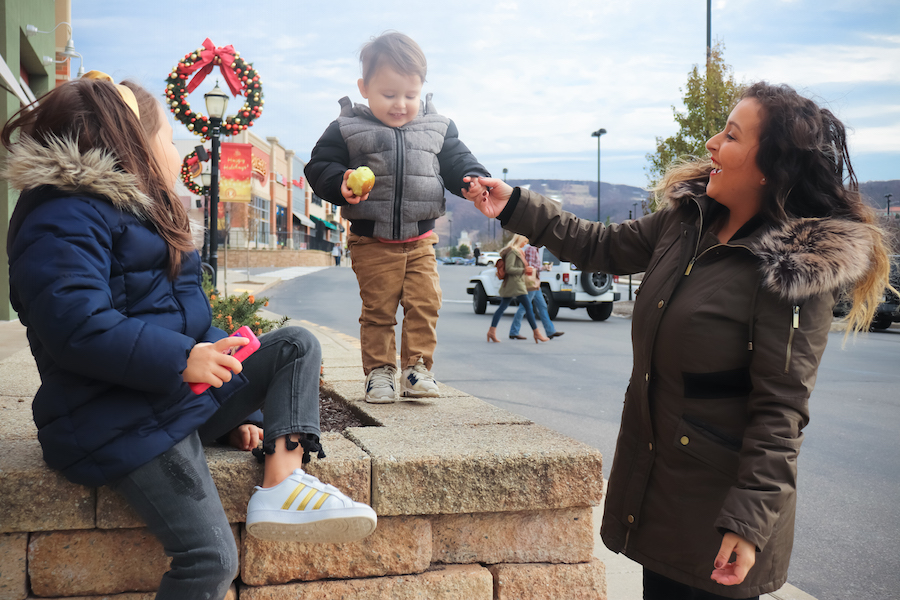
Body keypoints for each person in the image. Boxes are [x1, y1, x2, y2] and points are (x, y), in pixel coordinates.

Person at [465, 82, 894, 599]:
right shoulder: (687, 220)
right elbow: (600, 244)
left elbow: (781, 409)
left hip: (718, 518)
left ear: (769, 167)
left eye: (731, 135)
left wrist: (749, 522)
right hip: (660, 486)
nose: (712, 143)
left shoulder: (793, 272)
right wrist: (518, 205)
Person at [3, 74, 377, 600]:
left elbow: (193, 323)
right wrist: (183, 359)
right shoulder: (61, 216)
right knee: (210, 562)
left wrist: (239, 410)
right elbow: (76, 327)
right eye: (166, 135)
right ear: (129, 139)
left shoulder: (143, 214)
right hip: (115, 416)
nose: (175, 147)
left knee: (294, 344)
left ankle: (282, 481)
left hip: (170, 394)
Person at [305, 31, 489, 403]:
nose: (400, 105)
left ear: (422, 89)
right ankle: (380, 372)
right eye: (388, 95)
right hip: (372, 240)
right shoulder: (347, 127)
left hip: (421, 239)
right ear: (364, 87)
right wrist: (339, 182)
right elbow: (319, 165)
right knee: (379, 309)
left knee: (425, 304)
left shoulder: (437, 126)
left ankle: (417, 369)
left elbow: (457, 162)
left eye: (410, 95)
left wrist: (471, 180)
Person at [487, 234, 551, 343]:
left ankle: (491, 332)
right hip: (516, 284)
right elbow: (509, 268)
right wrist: (524, 270)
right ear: (520, 240)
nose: (525, 244)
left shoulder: (518, 251)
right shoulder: (513, 251)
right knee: (528, 307)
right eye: (524, 241)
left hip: (515, 284)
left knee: (503, 307)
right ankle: (537, 334)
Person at [508, 241, 564, 340]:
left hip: (535, 283)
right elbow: (529, 267)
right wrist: (544, 268)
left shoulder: (536, 250)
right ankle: (514, 331)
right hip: (531, 283)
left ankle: (550, 331)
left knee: (542, 306)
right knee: (524, 307)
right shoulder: (531, 249)